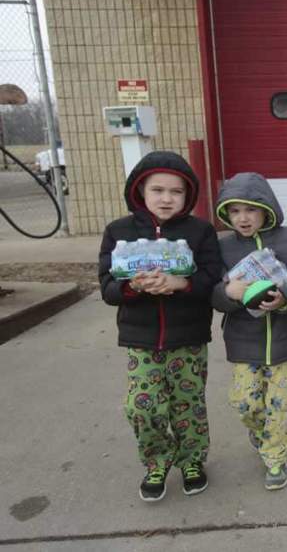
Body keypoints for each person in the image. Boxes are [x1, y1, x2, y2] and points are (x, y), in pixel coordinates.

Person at [98, 150, 223, 502]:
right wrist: (133, 286)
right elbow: (107, 287)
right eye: (157, 190)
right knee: (142, 406)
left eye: (176, 191)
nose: (166, 198)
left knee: (188, 405)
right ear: (141, 191)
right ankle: (157, 459)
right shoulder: (118, 232)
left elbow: (213, 279)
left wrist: (181, 283)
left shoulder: (200, 232)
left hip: (188, 338)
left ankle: (192, 461)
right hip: (141, 340)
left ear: (188, 196)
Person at [211, 172, 287, 491]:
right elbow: (213, 294)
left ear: (267, 208)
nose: (243, 219)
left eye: (251, 210)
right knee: (245, 402)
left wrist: (286, 299)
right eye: (234, 211)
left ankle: (275, 456)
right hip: (245, 341)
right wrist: (228, 293)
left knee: (282, 405)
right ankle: (260, 433)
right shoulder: (223, 248)